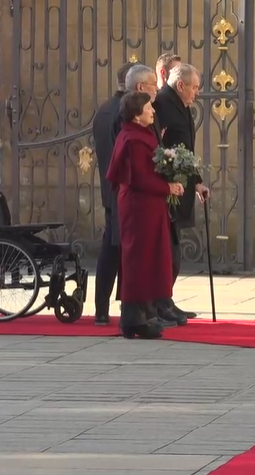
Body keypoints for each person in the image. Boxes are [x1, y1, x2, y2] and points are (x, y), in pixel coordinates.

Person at [105, 91, 184, 339]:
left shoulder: (139, 133)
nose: (153, 110)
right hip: (139, 208)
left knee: (148, 258)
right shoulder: (133, 138)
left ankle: (143, 314)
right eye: (148, 107)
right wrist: (167, 187)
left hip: (148, 206)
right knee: (139, 260)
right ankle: (135, 317)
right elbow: (139, 177)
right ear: (136, 115)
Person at [153, 63, 210, 321]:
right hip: (168, 189)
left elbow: (185, 146)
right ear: (180, 86)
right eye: (194, 88)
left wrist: (197, 181)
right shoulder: (163, 104)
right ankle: (160, 302)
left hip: (182, 185)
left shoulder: (181, 104)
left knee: (173, 251)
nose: (196, 93)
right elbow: (160, 147)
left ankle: (165, 300)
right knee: (169, 253)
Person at [92, 61, 137, 326]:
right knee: (123, 250)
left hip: (110, 191)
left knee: (111, 249)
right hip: (125, 191)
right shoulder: (125, 112)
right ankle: (129, 307)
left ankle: (101, 308)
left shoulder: (103, 109)